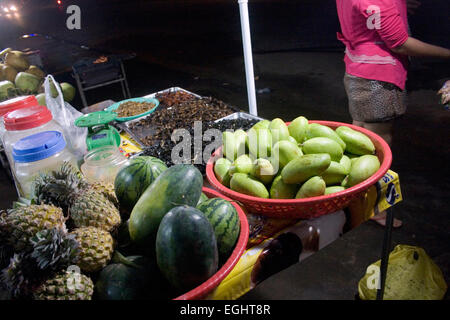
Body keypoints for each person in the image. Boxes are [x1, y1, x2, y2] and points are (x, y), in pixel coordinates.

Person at [336, 0, 450, 227]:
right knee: (378, 146)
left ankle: (349, 196)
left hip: (357, 66)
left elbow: (367, 16)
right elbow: (399, 43)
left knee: (358, 140)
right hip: (377, 77)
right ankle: (375, 208)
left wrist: (398, 8)